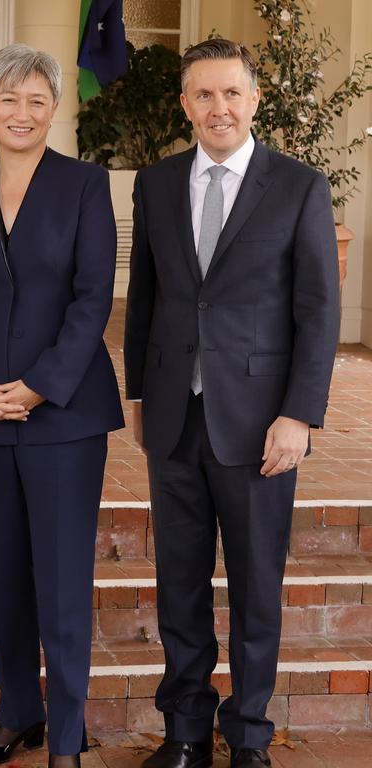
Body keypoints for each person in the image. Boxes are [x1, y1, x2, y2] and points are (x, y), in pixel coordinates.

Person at [124, 39, 339, 768]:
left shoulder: (299, 187)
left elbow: (317, 310)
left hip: (259, 426)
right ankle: (185, 731)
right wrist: (138, 393)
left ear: (255, 100)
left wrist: (299, 415)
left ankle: (248, 736)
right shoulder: (155, 184)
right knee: (179, 585)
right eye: (203, 95)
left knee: (254, 590)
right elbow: (147, 297)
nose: (219, 107)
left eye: (231, 94)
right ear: (185, 105)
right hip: (175, 420)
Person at [0, 44, 123, 768]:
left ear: (55, 110)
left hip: (65, 414)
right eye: (8, 99)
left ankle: (68, 738)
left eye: (36, 100)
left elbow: (91, 298)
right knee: (2, 573)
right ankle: (18, 713)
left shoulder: (85, 185)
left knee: (61, 578)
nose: (21, 112)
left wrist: (42, 383)